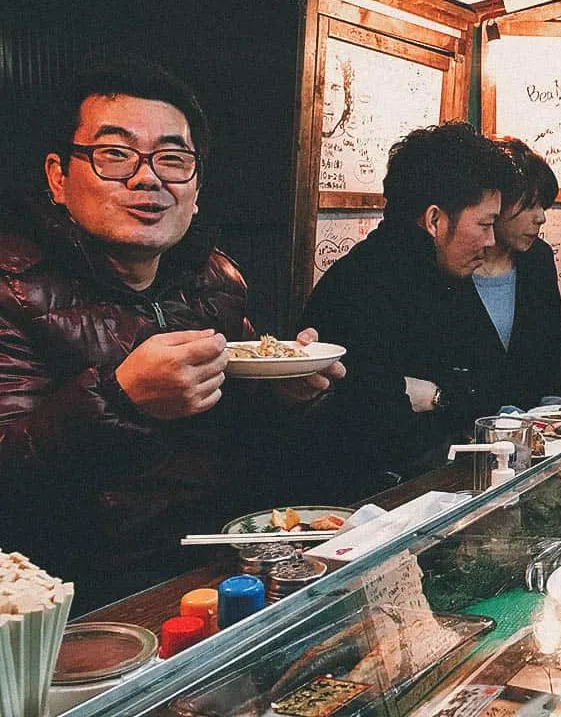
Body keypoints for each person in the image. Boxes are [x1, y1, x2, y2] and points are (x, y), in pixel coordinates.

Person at [0, 62, 344, 612]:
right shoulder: (13, 289)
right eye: (115, 155)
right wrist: (118, 399)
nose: (148, 178)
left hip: (223, 574)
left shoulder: (216, 278)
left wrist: (284, 394)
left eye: (173, 159)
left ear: (196, 188)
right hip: (81, 607)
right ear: (58, 177)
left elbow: (243, 443)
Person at [302, 122, 517, 497]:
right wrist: (446, 396)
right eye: (484, 224)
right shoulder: (362, 284)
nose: (490, 240)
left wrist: (433, 395)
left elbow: (494, 386)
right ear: (435, 220)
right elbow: (368, 420)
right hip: (363, 512)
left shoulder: (446, 274)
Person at [458, 138, 561, 411]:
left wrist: (558, 412)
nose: (541, 217)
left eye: (543, 205)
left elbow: (554, 351)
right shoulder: (454, 265)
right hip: (470, 436)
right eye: (530, 205)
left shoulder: (538, 258)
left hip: (537, 434)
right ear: (496, 204)